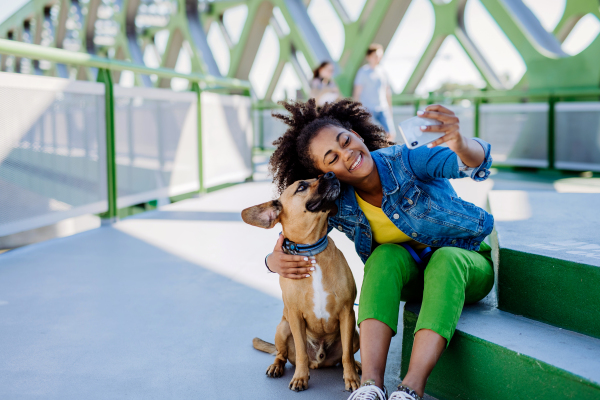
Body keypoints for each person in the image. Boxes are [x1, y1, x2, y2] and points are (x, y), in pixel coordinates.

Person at [264, 98, 494, 400]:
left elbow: (473, 163)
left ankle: (411, 388)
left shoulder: (407, 161)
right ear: (323, 173)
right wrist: (273, 260)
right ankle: (370, 386)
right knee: (383, 255)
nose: (346, 155)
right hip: (414, 281)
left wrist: (461, 143)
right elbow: (300, 228)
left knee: (446, 258)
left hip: (466, 265)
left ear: (355, 133)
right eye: (331, 159)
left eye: (345, 141)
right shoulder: (340, 203)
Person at [353, 44, 396, 141]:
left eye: (380, 56)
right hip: (368, 109)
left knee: (391, 133)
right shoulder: (363, 72)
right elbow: (357, 92)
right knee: (371, 136)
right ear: (369, 57)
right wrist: (357, 110)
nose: (378, 58)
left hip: (382, 108)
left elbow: (387, 91)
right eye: (376, 56)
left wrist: (390, 109)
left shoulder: (383, 71)